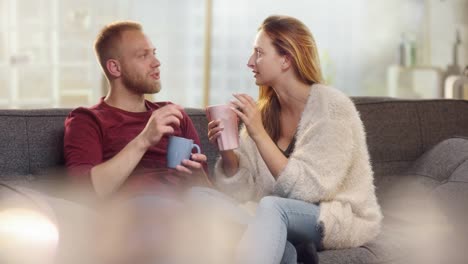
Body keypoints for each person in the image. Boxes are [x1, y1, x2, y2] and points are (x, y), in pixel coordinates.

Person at [206, 15, 383, 264]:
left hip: (332, 217)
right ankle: (289, 251)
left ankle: (282, 242)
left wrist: (258, 133)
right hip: (276, 215)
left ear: (286, 59)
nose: (250, 62)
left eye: (258, 53)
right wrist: (227, 150)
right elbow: (242, 193)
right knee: (199, 197)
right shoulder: (266, 112)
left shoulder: (332, 108)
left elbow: (307, 191)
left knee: (271, 208)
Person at [63, 20, 211, 198]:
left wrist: (199, 179)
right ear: (115, 67)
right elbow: (84, 192)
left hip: (196, 208)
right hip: (142, 211)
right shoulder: (86, 119)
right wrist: (144, 140)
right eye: (143, 55)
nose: (156, 62)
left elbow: (208, 190)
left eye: (154, 53)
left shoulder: (172, 114)